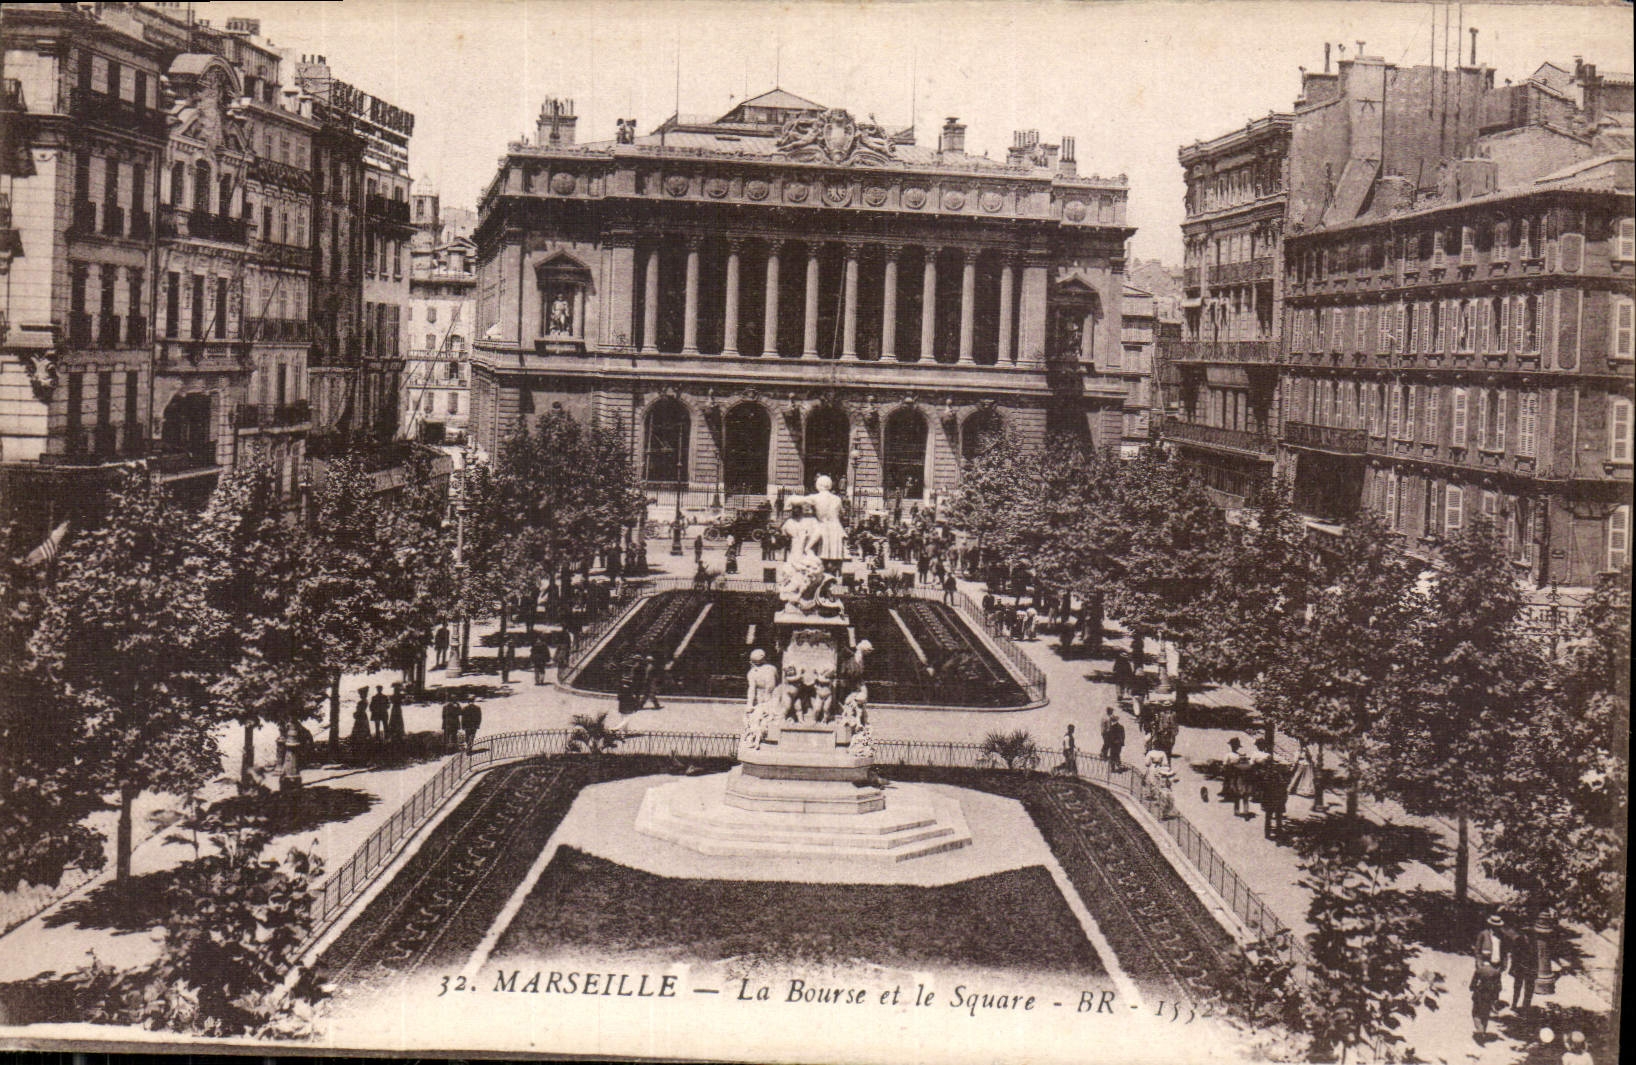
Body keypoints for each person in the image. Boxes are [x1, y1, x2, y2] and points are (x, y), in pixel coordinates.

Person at [1471, 914, 1507, 1038]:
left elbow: (1504, 953)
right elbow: (1477, 952)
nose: (1497, 929)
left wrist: (1503, 966)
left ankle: (1483, 1027)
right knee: (1478, 996)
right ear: (1491, 925)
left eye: (1498, 926)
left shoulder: (1502, 937)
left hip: (1496, 969)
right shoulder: (1483, 935)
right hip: (1484, 969)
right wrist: (1479, 965)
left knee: (1492, 995)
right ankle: (1479, 1025)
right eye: (1494, 926)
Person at [1508, 921, 1539, 1013]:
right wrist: (1513, 968)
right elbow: (1514, 955)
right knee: (1517, 987)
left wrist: (1536, 969)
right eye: (1525, 931)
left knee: (1529, 988)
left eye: (1529, 932)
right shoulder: (1518, 940)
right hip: (1520, 967)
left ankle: (1526, 1006)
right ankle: (1514, 1004)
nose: (1527, 934)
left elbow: (1535, 956)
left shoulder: (1534, 941)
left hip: (1530, 968)